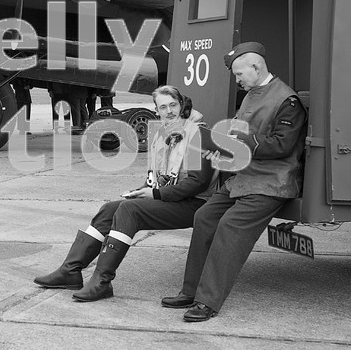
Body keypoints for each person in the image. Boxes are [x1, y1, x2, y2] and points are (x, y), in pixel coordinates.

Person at [161, 42, 307, 322]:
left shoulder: (287, 100)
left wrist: (240, 142)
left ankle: (207, 301)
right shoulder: (252, 94)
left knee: (230, 226)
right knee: (204, 216)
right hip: (244, 178)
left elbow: (283, 146)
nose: (237, 81)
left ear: (256, 67)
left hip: (272, 182)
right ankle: (190, 290)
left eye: (239, 74)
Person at [34, 85, 217, 302]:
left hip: (196, 204)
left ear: (182, 105)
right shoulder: (162, 134)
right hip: (172, 198)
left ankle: (102, 280)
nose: (169, 111)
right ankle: (70, 271)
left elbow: (198, 182)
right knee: (110, 208)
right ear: (156, 110)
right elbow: (156, 177)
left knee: (129, 211)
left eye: (173, 105)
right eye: (163, 107)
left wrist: (156, 195)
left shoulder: (199, 134)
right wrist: (142, 190)